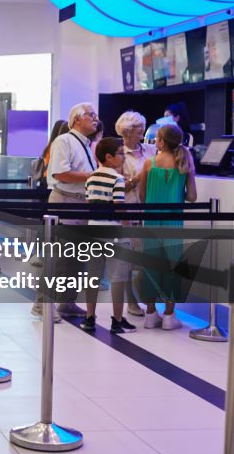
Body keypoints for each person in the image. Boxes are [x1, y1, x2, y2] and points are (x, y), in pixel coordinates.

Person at [37, 102, 99, 319]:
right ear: (76, 120)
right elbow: (60, 173)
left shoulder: (86, 144)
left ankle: (67, 301)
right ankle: (43, 303)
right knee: (60, 256)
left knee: (75, 257)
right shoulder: (64, 141)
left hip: (80, 204)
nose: (95, 118)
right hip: (66, 202)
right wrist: (94, 176)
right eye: (90, 115)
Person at [137, 123, 198, 330]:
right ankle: (169, 315)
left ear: (161, 142)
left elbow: (142, 195)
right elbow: (192, 197)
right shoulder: (184, 163)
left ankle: (151, 313)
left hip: (152, 220)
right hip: (174, 221)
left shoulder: (148, 163)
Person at [80, 137, 136, 334]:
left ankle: (89, 317)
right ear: (109, 157)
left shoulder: (91, 178)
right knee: (117, 277)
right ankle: (117, 320)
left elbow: (88, 206)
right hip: (113, 232)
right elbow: (119, 208)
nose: (123, 157)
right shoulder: (117, 179)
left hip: (94, 230)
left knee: (93, 276)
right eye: (120, 153)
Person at [115, 110, 155, 317]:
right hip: (129, 210)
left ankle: (148, 299)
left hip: (148, 211)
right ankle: (130, 300)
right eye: (139, 127)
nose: (143, 130)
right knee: (128, 258)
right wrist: (139, 178)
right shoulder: (119, 153)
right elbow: (118, 186)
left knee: (147, 256)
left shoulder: (150, 149)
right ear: (128, 130)